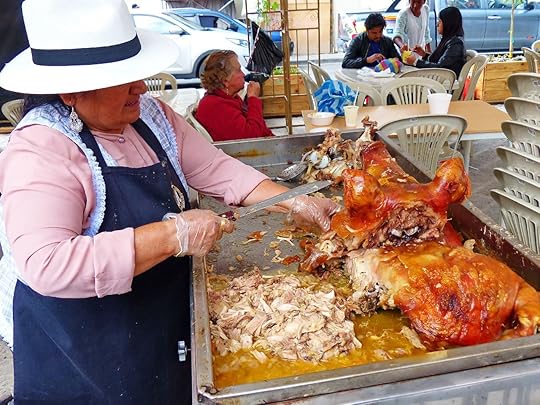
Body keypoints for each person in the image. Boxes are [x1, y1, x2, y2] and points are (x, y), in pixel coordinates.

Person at [0, 0, 339, 403]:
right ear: (72, 91)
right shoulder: (40, 148)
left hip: (158, 320)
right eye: (123, 78)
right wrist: (172, 234)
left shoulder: (151, 117)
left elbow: (219, 170)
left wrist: (295, 201)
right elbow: (49, 264)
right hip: (88, 350)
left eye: (137, 73)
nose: (141, 87)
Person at [195, 50, 273, 141]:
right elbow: (253, 137)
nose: (243, 74)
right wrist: (253, 98)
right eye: (239, 70)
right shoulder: (215, 105)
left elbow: (259, 128)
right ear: (225, 80)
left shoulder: (228, 98)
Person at [405, 6, 466, 77]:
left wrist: (415, 62)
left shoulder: (456, 43)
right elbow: (437, 60)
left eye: (439, 21)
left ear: (448, 23)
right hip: (440, 79)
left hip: (446, 82)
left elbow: (440, 68)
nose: (437, 24)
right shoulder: (448, 40)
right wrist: (424, 54)